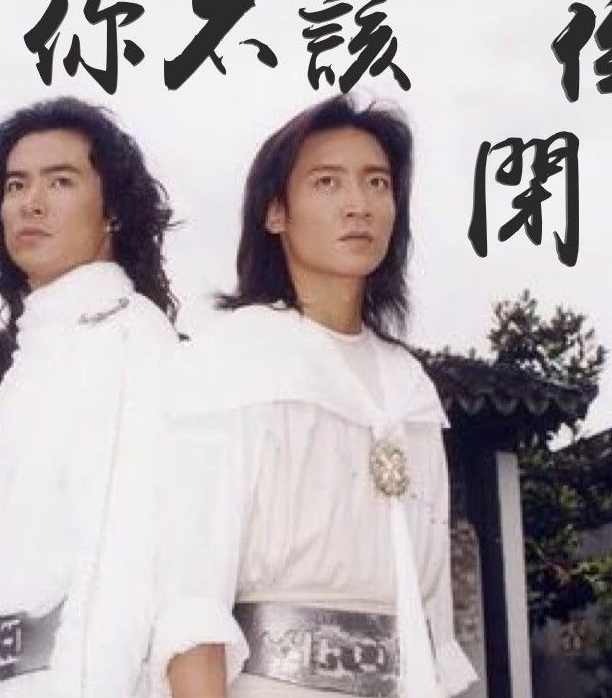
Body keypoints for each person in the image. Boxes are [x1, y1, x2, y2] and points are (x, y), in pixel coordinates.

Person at [151, 95, 479, 698]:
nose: (359, 204)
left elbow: (434, 619)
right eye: (327, 182)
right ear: (276, 212)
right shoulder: (230, 360)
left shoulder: (408, 385)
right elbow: (189, 606)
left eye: (377, 183)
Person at [0, 96, 179, 698]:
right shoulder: (38, 353)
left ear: (112, 211)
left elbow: (122, 568)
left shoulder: (124, 336)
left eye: (60, 181)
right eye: (16, 185)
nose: (30, 203)